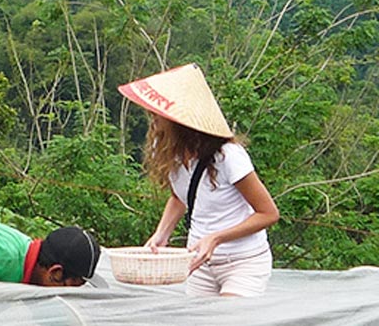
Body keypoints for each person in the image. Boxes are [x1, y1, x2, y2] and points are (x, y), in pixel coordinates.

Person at [118, 63, 279, 297]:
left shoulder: (228, 157)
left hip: (242, 262)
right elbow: (179, 196)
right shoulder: (165, 149)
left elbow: (268, 213)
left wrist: (216, 238)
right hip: (198, 262)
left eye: (158, 113)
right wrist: (161, 235)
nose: (152, 119)